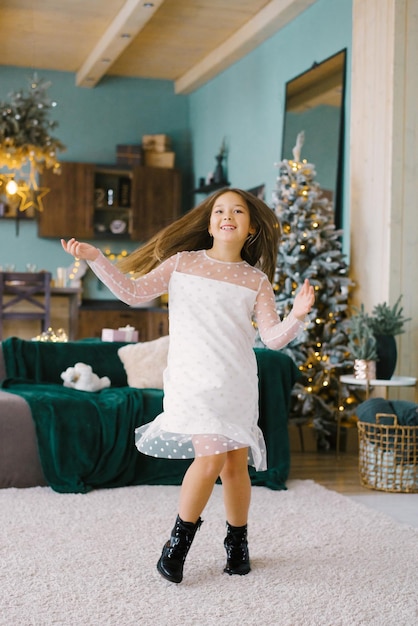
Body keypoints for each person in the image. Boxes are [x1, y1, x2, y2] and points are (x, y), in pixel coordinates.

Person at [61, 188, 314, 584]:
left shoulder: (256, 280)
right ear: (210, 223)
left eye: (237, 211)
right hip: (192, 381)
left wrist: (297, 315)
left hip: (237, 383)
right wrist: (97, 259)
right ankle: (177, 545)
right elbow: (132, 293)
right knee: (211, 459)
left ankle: (237, 544)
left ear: (249, 228)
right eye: (219, 210)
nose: (226, 215)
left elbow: (273, 337)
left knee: (234, 467)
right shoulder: (181, 264)